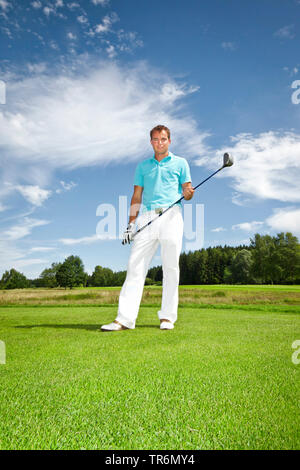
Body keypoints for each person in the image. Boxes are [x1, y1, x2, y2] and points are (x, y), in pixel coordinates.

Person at [101, 125, 194, 332]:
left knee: (170, 267)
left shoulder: (181, 163)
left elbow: (187, 190)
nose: (159, 142)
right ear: (150, 142)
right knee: (135, 266)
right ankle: (124, 319)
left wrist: (188, 193)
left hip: (172, 215)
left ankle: (167, 318)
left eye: (163, 139)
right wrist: (130, 223)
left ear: (169, 141)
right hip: (147, 217)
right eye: (155, 139)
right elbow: (137, 196)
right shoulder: (143, 167)